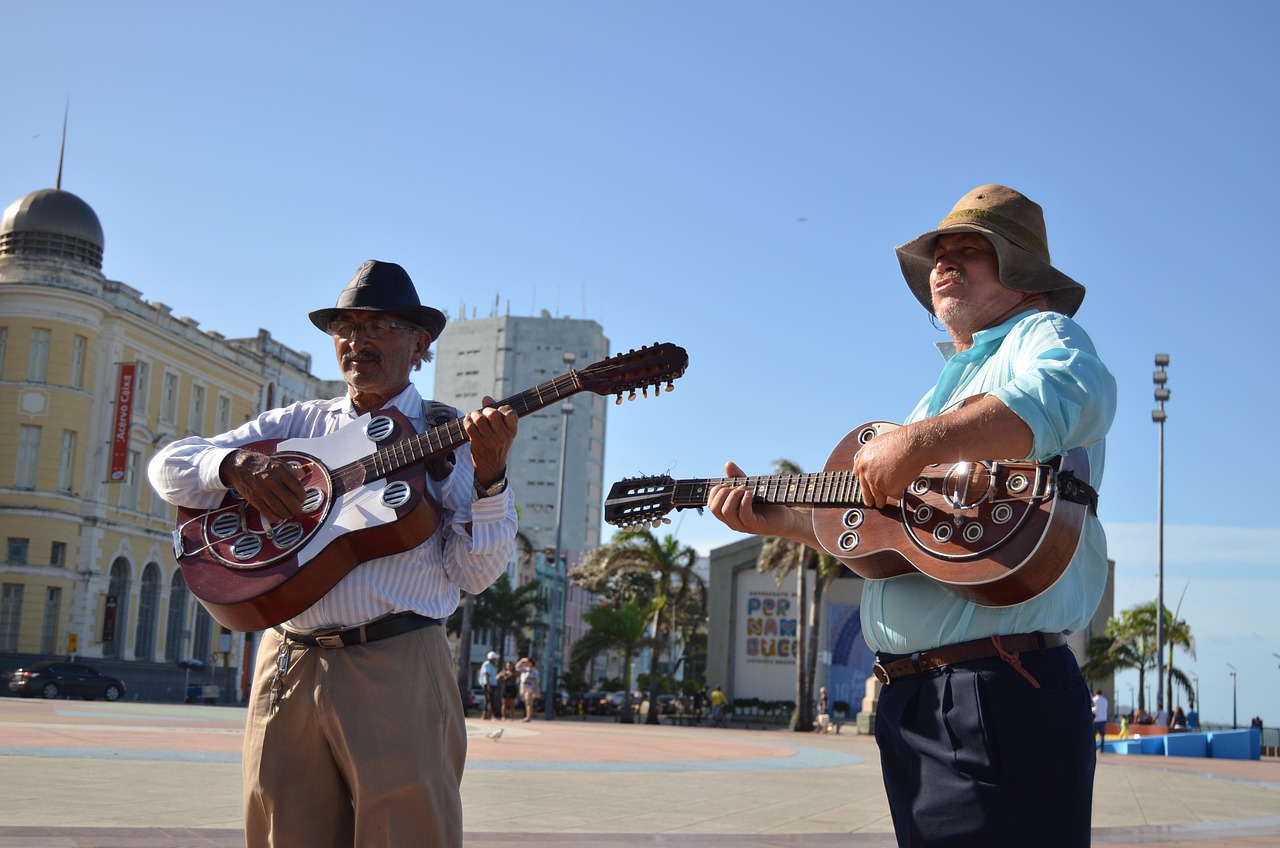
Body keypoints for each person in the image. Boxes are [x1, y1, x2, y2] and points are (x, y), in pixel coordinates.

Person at [708, 185, 1115, 847]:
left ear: (1022, 272)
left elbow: (1076, 392)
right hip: (922, 700)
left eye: (970, 250)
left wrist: (919, 443)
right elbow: (887, 535)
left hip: (994, 689)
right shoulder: (937, 394)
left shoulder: (1044, 335)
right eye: (938, 255)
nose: (944, 264)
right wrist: (776, 521)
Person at [149, 259, 519, 848]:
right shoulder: (299, 423)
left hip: (396, 657)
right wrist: (234, 465)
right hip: (286, 658)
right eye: (345, 328)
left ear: (420, 344)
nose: (357, 340)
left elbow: (474, 572)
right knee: (279, 827)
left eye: (378, 326)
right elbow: (167, 468)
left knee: (407, 832)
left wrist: (492, 476)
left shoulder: (454, 437)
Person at [478, 651, 500, 721]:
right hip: (488, 684)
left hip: (492, 684)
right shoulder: (487, 664)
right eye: (495, 659)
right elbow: (486, 675)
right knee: (490, 700)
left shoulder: (492, 666)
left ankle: (484, 715)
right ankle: (492, 716)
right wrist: (488, 685)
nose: (496, 660)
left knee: (488, 700)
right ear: (491, 658)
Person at [516, 656, 540, 721]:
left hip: (530, 687)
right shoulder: (524, 669)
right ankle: (527, 715)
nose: (526, 663)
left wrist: (528, 680)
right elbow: (517, 667)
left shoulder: (534, 671)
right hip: (524, 687)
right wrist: (522, 660)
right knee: (526, 702)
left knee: (529, 702)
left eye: (527, 662)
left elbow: (537, 680)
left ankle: (528, 716)